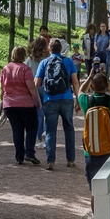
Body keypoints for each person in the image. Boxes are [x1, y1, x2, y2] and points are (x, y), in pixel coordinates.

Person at [34, 38, 80, 171]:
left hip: (50, 100)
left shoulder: (44, 62)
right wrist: (77, 99)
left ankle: (50, 161)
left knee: (50, 131)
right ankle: (70, 160)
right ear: (61, 49)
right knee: (69, 129)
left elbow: (37, 83)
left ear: (49, 49)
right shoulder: (68, 61)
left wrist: (39, 99)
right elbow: (75, 82)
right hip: (66, 99)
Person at [78, 72, 110, 209]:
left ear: (92, 86)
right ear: (107, 86)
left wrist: (90, 77)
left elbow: (80, 91)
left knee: (95, 191)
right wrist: (107, 79)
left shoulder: (86, 102)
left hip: (91, 152)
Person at [0, 46, 42, 165]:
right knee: (32, 127)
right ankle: (29, 153)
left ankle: (19, 156)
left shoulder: (5, 69)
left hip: (9, 104)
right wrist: (37, 100)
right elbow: (31, 87)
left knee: (17, 130)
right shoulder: (25, 69)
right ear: (23, 56)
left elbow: (2, 89)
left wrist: (2, 101)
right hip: (25, 104)